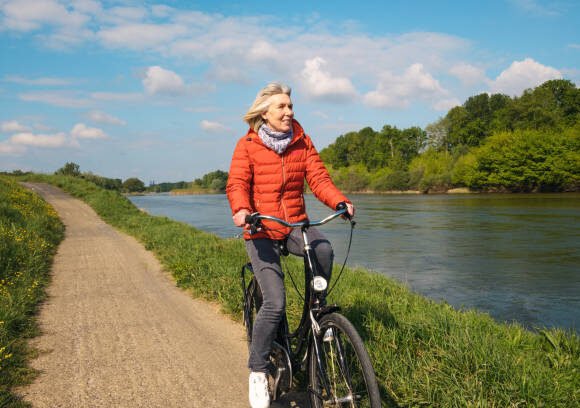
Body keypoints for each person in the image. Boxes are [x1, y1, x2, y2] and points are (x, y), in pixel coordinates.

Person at [226, 82, 354, 408]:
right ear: (264, 112)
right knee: (275, 302)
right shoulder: (248, 145)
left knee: (323, 249)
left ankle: (317, 314)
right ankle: (257, 371)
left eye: (290, 106)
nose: (288, 112)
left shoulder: (301, 140)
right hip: (261, 228)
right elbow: (237, 183)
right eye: (281, 107)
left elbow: (319, 179)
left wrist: (339, 202)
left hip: (295, 224)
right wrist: (242, 210)